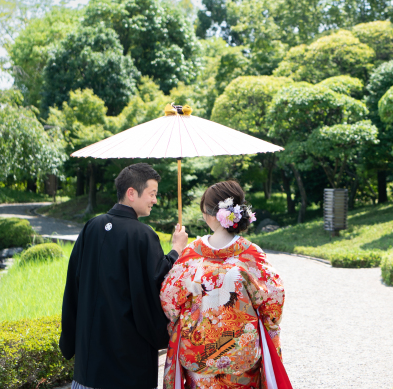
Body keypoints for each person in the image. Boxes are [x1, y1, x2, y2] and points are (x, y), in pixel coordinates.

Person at [60, 162, 189, 389]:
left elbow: (73, 285)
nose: (155, 200)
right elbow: (160, 283)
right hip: (128, 360)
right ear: (131, 193)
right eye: (152, 194)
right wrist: (176, 250)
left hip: (89, 359)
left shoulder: (91, 226)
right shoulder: (142, 234)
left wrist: (71, 339)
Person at [160, 180, 285, 389]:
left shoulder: (191, 255)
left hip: (199, 356)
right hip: (241, 356)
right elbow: (273, 301)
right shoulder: (251, 254)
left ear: (210, 215)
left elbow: (169, 301)